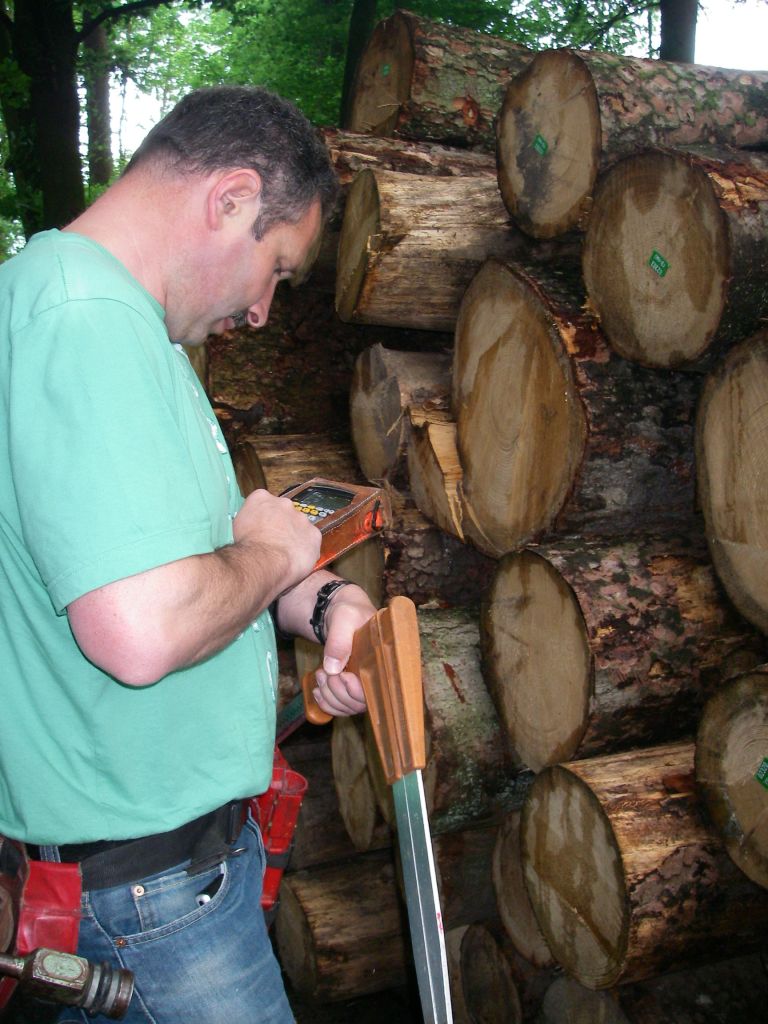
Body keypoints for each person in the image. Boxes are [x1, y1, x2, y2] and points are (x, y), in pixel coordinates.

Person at [0, 85, 376, 1023]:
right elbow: (143, 628)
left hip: (147, 879)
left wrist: (324, 601)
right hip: (148, 895)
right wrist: (274, 555)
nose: (263, 310)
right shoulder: (85, 322)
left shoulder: (115, 326)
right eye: (276, 269)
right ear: (231, 197)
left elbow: (199, 564)